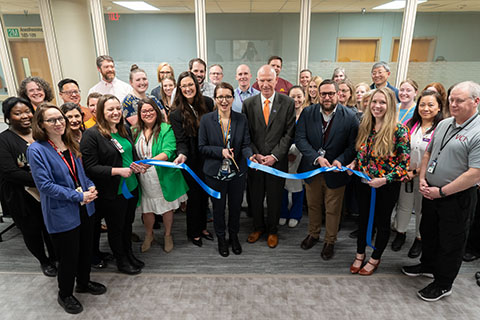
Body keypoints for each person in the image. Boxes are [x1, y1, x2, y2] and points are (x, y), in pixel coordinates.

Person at [402, 81, 480, 302]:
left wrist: (442, 191)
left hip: (456, 197)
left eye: (459, 100)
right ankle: (427, 265)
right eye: (451, 100)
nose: (453, 104)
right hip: (431, 191)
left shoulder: (478, 131)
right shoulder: (445, 123)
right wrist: (424, 179)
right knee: (429, 232)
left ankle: (443, 284)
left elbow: (475, 173)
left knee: (451, 242)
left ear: (476, 102)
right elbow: (428, 154)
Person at [27, 104, 106, 314]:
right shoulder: (36, 150)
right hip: (62, 210)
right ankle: (65, 294)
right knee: (68, 256)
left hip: (84, 207)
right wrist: (78, 195)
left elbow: (81, 173)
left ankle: (84, 282)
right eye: (52, 120)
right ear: (41, 124)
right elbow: (45, 186)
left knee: (85, 249)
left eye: (60, 118)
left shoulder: (70, 142)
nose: (59, 122)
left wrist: (90, 186)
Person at [347, 87, 410, 276]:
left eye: (382, 102)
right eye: (374, 102)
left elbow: (403, 167)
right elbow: (362, 154)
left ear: (390, 105)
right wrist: (354, 163)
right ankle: (360, 254)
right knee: (364, 220)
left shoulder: (399, 130)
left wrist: (384, 180)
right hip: (364, 183)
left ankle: (375, 257)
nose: (377, 106)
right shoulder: (365, 125)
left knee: (382, 222)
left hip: (386, 186)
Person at [80, 94, 145, 275]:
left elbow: (128, 154)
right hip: (112, 191)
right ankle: (121, 261)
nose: (116, 112)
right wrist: (117, 171)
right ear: (101, 111)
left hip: (131, 187)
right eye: (110, 109)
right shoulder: (92, 135)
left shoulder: (123, 128)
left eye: (118, 108)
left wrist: (137, 165)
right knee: (116, 228)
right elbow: (90, 168)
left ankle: (129, 254)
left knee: (128, 225)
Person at [296, 79, 359, 259]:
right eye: (323, 94)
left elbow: (352, 146)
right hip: (313, 169)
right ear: (318, 95)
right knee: (313, 205)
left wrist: (339, 160)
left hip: (335, 172)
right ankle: (313, 234)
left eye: (331, 93)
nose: (327, 97)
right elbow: (300, 139)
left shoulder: (350, 117)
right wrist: (316, 158)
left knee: (332, 209)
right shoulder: (308, 113)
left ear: (338, 94)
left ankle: (330, 241)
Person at [0, 97, 57, 277]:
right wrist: (44, 180)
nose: (25, 116)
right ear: (8, 117)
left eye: (27, 111)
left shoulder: (41, 134)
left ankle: (56, 256)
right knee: (32, 230)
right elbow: (10, 172)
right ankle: (44, 260)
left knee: (50, 227)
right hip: (21, 196)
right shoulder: (4, 140)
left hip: (47, 194)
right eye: (18, 113)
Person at [199, 82, 254, 257]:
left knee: (236, 206)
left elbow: (245, 144)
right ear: (215, 99)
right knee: (218, 208)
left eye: (228, 96)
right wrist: (220, 152)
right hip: (215, 173)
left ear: (233, 98)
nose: (224, 100)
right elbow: (202, 147)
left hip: (237, 172)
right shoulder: (207, 120)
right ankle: (222, 238)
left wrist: (250, 156)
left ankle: (234, 236)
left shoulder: (241, 119)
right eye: (220, 97)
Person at [243, 65, 295, 248]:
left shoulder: (287, 103)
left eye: (269, 80)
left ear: (276, 80)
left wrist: (274, 156)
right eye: (262, 80)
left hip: (277, 163)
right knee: (255, 197)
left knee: (274, 198)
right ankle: (258, 227)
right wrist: (255, 154)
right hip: (256, 162)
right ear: (257, 81)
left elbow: (289, 134)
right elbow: (246, 134)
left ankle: (272, 230)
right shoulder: (248, 104)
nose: (265, 84)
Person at [392, 91, 444, 257]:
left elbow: (435, 157)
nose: (425, 108)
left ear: (439, 107)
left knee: (422, 210)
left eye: (430, 105)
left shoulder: (441, 129)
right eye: (422, 104)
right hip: (405, 175)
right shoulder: (409, 124)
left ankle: (419, 239)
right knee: (404, 205)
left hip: (426, 177)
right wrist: (404, 171)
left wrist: (414, 172)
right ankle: (400, 233)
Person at [133, 98, 188, 253]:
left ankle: (168, 235)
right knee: (147, 209)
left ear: (156, 111)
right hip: (143, 177)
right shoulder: (134, 130)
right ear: (140, 114)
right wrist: (138, 165)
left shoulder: (166, 128)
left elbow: (168, 151)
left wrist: (149, 162)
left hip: (162, 175)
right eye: (144, 111)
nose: (148, 113)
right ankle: (149, 235)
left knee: (166, 207)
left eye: (151, 110)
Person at [169, 71, 214, 247]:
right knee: (194, 198)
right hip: (191, 160)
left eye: (190, 84)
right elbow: (181, 141)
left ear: (197, 85)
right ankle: (193, 231)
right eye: (184, 86)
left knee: (205, 196)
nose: (188, 88)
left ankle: (203, 227)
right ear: (179, 89)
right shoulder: (175, 113)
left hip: (208, 157)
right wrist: (182, 154)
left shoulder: (208, 103)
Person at [279, 86, 307, 228]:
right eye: (293, 96)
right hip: (284, 154)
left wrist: (296, 151)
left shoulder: (308, 115)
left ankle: (296, 214)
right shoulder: (283, 114)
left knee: (298, 186)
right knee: (282, 185)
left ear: (304, 97)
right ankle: (283, 212)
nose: (296, 99)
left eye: (299, 96)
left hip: (302, 156)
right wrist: (286, 152)